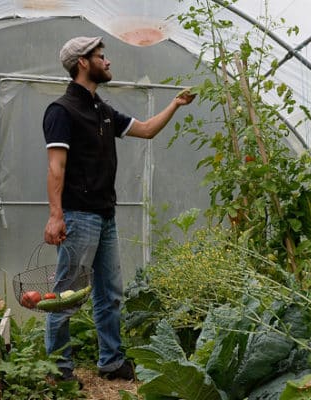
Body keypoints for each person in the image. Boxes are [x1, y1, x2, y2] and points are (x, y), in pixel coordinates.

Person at [42, 36, 195, 384]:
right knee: (66, 296)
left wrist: (175, 104)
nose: (107, 61)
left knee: (110, 295)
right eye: (101, 56)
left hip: (105, 215)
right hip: (78, 216)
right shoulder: (62, 111)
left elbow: (145, 130)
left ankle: (111, 362)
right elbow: (56, 168)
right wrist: (56, 215)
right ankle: (58, 370)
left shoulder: (102, 110)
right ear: (83, 62)